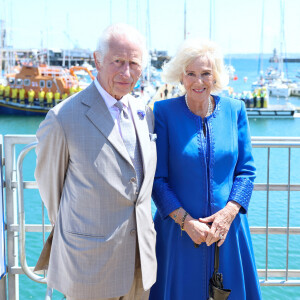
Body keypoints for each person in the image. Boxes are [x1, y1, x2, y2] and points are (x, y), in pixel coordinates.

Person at [35, 23, 157, 300]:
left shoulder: (143, 112)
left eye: (133, 63)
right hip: (89, 266)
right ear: (97, 60)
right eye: (117, 62)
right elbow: (51, 192)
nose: (126, 72)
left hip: (140, 263)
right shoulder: (63, 118)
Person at [149, 38, 262, 300]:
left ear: (216, 76)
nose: (198, 81)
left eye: (205, 74)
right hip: (178, 234)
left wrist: (229, 213)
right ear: (181, 76)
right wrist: (186, 223)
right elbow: (157, 179)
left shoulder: (235, 110)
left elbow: (246, 171)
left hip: (228, 234)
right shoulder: (163, 112)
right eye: (191, 74)